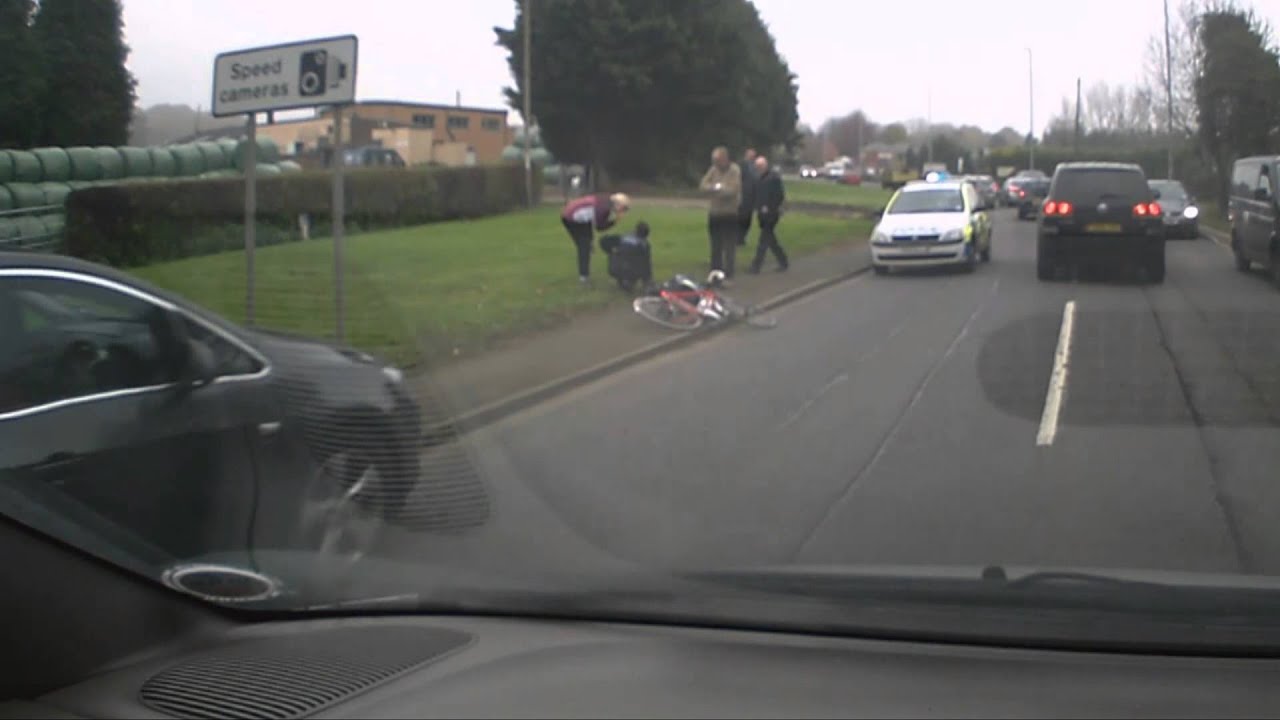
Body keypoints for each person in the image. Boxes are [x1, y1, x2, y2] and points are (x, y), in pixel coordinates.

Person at [560, 192, 630, 285]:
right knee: (584, 247)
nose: (623, 211)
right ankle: (583, 277)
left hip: (573, 214)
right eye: (623, 208)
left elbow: (592, 221)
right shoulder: (605, 209)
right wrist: (614, 221)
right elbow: (599, 227)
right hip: (572, 218)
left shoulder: (604, 201)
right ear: (617, 204)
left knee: (586, 243)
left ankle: (585, 269)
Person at [699, 146, 742, 278]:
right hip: (715, 213)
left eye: (718, 160)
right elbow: (703, 186)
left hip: (729, 213)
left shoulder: (734, 170)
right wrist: (715, 187)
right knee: (715, 244)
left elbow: (732, 190)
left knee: (729, 245)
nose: (716, 163)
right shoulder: (713, 170)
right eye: (714, 161)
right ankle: (715, 270)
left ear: (725, 158)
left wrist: (717, 190)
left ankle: (729, 272)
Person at [749, 155, 789, 274]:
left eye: (760, 166)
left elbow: (779, 196)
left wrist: (770, 207)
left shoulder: (773, 178)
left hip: (772, 213)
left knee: (763, 240)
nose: (758, 168)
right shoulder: (759, 178)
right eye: (757, 166)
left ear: (765, 165)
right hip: (762, 213)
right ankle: (783, 261)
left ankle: (756, 266)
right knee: (771, 240)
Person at [737, 148, 759, 247]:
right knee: (741, 217)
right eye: (751, 155)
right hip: (743, 194)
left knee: (748, 219)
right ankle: (738, 237)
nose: (752, 157)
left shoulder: (755, 166)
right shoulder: (742, 165)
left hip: (752, 196)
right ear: (746, 155)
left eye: (754, 156)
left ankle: (742, 237)